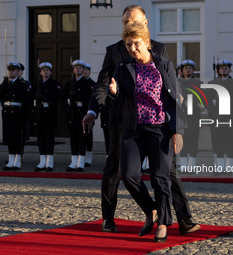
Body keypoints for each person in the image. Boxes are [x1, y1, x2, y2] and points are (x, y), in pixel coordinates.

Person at [83, 5, 199, 235]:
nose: (128, 25)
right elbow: (103, 84)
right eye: (125, 22)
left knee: (167, 171)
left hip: (157, 122)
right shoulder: (114, 51)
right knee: (116, 168)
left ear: (145, 23)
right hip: (123, 119)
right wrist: (93, 110)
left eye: (132, 21)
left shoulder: (159, 50)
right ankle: (108, 217)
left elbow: (167, 83)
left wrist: (177, 102)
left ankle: (183, 218)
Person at [108, 22, 186, 243]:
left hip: (160, 128)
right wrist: (113, 92)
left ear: (147, 43)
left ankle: (162, 223)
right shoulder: (123, 67)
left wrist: (176, 131)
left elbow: (173, 100)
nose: (132, 48)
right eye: (128, 44)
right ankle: (151, 209)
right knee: (129, 175)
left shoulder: (164, 65)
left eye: (136, 44)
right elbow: (116, 96)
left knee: (160, 178)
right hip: (133, 129)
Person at [206, 60, 233, 170]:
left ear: (230, 70)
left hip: (229, 117)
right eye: (222, 68)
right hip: (216, 117)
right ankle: (220, 166)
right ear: (218, 70)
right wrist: (213, 110)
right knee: (218, 142)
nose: (224, 70)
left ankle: (229, 167)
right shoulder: (212, 84)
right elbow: (207, 101)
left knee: (229, 142)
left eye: (226, 68)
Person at [60, 60, 93, 172]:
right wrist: (66, 107)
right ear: (73, 70)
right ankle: (73, 162)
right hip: (72, 114)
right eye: (76, 67)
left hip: (83, 113)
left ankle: (81, 162)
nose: (78, 69)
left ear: (84, 70)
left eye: (80, 68)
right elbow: (62, 98)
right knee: (73, 139)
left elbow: (92, 99)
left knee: (82, 139)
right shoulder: (70, 83)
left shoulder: (88, 83)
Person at [0, 62, 31, 170]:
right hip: (7, 112)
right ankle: (10, 160)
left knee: (17, 137)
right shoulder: (6, 83)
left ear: (18, 71)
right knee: (9, 137)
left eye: (13, 70)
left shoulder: (22, 84)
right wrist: (4, 82)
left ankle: (17, 160)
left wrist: (25, 116)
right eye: (10, 70)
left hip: (17, 112)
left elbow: (25, 101)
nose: (11, 72)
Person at [32, 62, 61, 172]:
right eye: (43, 70)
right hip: (40, 114)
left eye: (47, 70)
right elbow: (30, 98)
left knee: (49, 139)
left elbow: (56, 97)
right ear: (40, 72)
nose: (45, 71)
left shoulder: (55, 84)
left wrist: (43, 97)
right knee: (41, 139)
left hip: (49, 113)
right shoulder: (36, 84)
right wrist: (33, 108)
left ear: (51, 72)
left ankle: (50, 163)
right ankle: (42, 161)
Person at [179, 60, 202, 169]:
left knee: (193, 138)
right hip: (181, 114)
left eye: (190, 68)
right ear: (182, 70)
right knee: (182, 138)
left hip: (194, 115)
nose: (188, 70)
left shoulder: (198, 83)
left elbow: (201, 100)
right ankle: (183, 163)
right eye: (186, 68)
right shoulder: (177, 82)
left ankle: (192, 163)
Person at [83, 63, 96, 166]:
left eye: (87, 70)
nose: (85, 72)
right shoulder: (77, 83)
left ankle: (89, 155)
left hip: (89, 112)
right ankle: (82, 155)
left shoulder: (93, 84)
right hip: (79, 113)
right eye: (84, 70)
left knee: (88, 135)